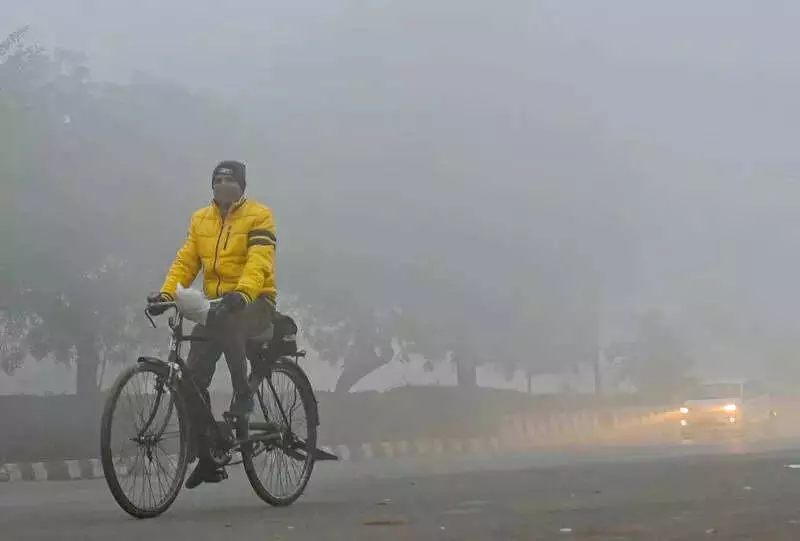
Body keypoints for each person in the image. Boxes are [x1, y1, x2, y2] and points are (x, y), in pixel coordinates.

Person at [147, 160, 277, 488]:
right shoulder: (200, 219)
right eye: (218, 179)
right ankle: (207, 457)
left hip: (254, 303)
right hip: (214, 308)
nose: (223, 184)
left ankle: (243, 393)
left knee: (230, 320)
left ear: (243, 186)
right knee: (190, 380)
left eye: (230, 179)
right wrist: (166, 294)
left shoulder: (260, 215)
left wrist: (243, 294)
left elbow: (259, 261)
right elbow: (186, 260)